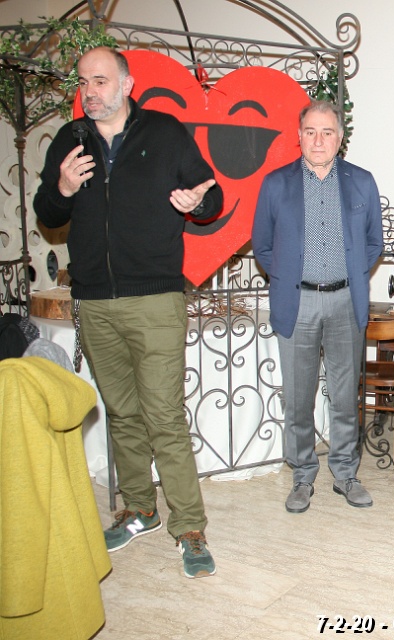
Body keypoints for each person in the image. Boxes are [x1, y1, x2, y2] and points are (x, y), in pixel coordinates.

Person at [33, 46, 222, 579]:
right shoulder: (70, 139)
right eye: (83, 82)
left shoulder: (163, 131)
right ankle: (140, 509)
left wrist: (197, 204)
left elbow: (211, 195)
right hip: (95, 300)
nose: (90, 91)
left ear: (126, 84)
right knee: (120, 412)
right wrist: (63, 187)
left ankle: (190, 527)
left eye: (100, 80)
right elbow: (48, 212)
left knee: (163, 414)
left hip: (155, 299)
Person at [252, 100, 383, 513]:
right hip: (298, 302)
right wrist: (292, 275)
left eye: (327, 132)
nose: (319, 140)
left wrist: (348, 275)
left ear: (340, 138)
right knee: (298, 398)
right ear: (299, 136)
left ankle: (345, 473)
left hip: (345, 301)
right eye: (310, 132)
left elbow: (374, 243)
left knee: (345, 397)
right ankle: (302, 475)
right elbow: (263, 246)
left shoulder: (362, 182)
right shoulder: (276, 184)